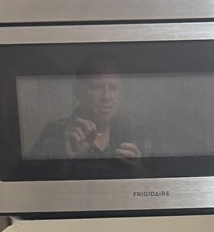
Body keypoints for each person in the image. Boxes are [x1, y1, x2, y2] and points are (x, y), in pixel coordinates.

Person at [28, 54, 158, 175]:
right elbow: (28, 189)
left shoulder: (145, 135)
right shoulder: (53, 133)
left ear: (121, 93)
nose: (106, 97)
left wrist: (139, 171)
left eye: (113, 88)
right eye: (96, 87)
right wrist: (69, 160)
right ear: (77, 91)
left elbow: (167, 191)